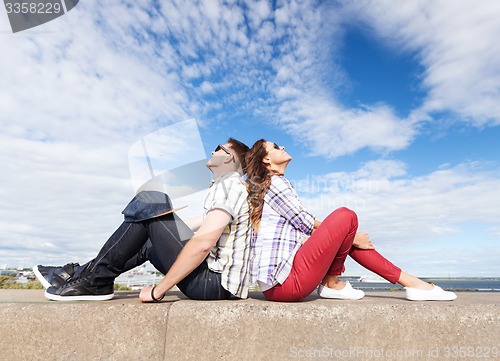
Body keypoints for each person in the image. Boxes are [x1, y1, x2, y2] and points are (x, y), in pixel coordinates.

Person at [34, 138, 252, 302]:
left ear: (228, 157)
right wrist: (158, 225)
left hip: (212, 284)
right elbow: (191, 226)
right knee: (149, 233)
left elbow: (203, 244)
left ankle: (92, 280)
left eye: (218, 148)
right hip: (216, 284)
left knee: (151, 200)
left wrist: (159, 291)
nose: (212, 151)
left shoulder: (229, 185)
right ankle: (84, 275)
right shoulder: (226, 187)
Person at [245, 139, 457, 302]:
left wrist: (346, 239)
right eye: (274, 146)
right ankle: (334, 283)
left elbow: (297, 235)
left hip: (279, 284)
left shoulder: (272, 184)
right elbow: (304, 222)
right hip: (286, 284)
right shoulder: (275, 182)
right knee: (346, 216)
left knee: (345, 229)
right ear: (266, 159)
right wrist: (351, 236)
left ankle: (409, 283)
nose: (281, 146)